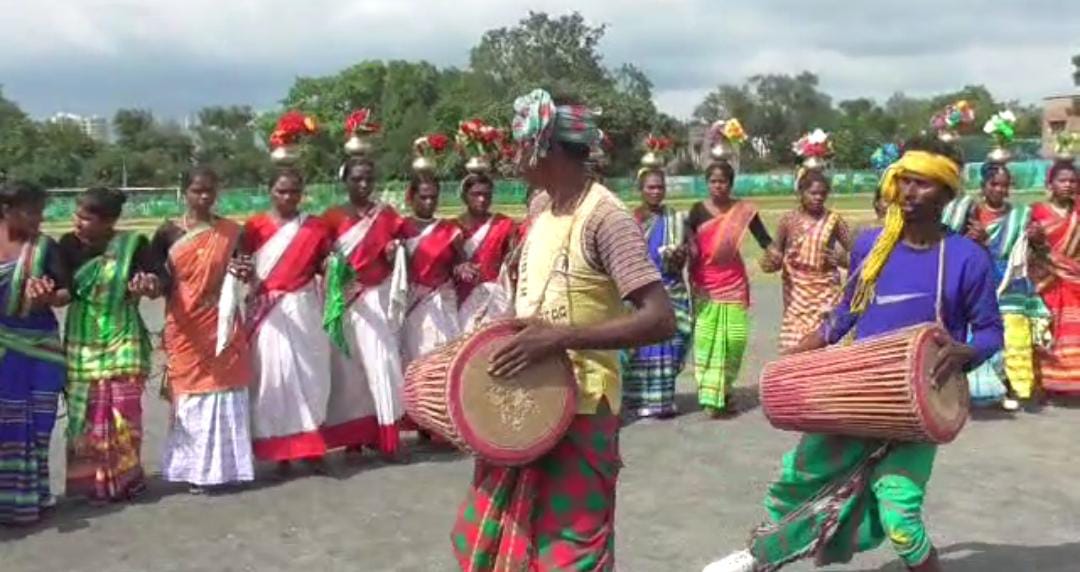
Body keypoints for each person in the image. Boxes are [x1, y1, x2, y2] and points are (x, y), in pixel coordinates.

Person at [703, 138, 1003, 572]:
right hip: (857, 389)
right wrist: (804, 349)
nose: (908, 192)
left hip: (922, 404)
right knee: (801, 476)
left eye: (921, 184)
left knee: (900, 515)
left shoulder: (966, 259)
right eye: (904, 182)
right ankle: (758, 557)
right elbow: (845, 313)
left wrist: (968, 351)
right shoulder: (873, 246)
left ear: (946, 193)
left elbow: (992, 331)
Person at [450, 89, 675, 571]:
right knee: (511, 541)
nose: (512, 157)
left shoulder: (607, 217)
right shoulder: (538, 209)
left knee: (571, 552)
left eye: (518, 145)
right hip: (527, 404)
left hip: (584, 409)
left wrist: (560, 337)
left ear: (544, 147)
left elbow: (660, 318)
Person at [152, 167, 255, 493]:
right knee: (192, 397)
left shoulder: (230, 232)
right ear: (184, 192)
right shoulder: (167, 232)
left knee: (226, 394)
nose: (204, 197)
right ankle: (193, 471)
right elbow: (158, 279)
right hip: (185, 327)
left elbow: (247, 276)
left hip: (222, 325)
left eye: (210, 191)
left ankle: (229, 469)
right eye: (197, 191)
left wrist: (242, 271)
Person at [60, 187, 160, 503]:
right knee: (87, 410)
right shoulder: (67, 245)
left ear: (109, 222)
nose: (76, 222)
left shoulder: (133, 246)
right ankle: (89, 483)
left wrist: (148, 286)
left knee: (124, 409)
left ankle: (127, 478)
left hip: (123, 334)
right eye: (76, 215)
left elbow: (158, 282)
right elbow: (63, 289)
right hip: (83, 336)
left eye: (85, 218)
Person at [243, 168, 333, 474]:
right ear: (270, 191)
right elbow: (242, 265)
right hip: (268, 311)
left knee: (311, 377)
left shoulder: (315, 227)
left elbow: (325, 264)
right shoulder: (254, 227)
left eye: (294, 192)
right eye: (281, 191)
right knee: (273, 378)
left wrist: (333, 267)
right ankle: (279, 450)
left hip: (304, 309)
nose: (288, 197)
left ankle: (311, 448)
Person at [322, 156, 412, 458]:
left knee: (382, 364)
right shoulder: (332, 217)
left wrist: (394, 251)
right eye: (356, 179)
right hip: (345, 302)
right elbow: (322, 258)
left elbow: (404, 250)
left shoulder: (386, 215)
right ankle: (354, 436)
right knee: (349, 371)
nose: (363, 185)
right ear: (345, 181)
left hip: (377, 299)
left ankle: (388, 436)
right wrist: (336, 271)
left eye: (368, 179)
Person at [0, 181, 69, 524]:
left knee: (39, 426)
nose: (38, 219)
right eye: (31, 212)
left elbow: (65, 292)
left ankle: (32, 496)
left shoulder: (44, 247)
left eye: (41, 211)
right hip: (4, 349)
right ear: (7, 210)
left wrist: (48, 296)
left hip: (41, 348)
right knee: (6, 425)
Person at [687, 160, 772, 417]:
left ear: (730, 184)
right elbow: (688, 246)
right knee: (706, 340)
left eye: (722, 181)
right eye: (713, 181)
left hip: (733, 281)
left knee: (734, 339)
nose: (718, 186)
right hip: (705, 282)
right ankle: (711, 397)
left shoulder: (743, 210)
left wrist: (777, 255)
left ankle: (723, 389)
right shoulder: (697, 211)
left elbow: (765, 240)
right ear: (707, 183)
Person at [960, 161, 1048, 410]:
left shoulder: (1020, 217)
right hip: (975, 287)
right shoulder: (968, 214)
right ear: (982, 186)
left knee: (1014, 333)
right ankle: (979, 388)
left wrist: (1038, 241)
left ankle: (1016, 388)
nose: (1000, 190)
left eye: (1005, 185)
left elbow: (1031, 256)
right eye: (994, 184)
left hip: (1011, 288)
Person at [622, 168, 692, 419]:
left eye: (660, 187)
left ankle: (663, 400)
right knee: (642, 345)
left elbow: (691, 251)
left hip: (672, 288)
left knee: (674, 341)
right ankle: (638, 399)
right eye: (650, 187)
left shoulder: (677, 218)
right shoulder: (631, 221)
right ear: (640, 190)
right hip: (643, 291)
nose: (656, 192)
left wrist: (680, 255)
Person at [761, 169, 853, 351]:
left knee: (828, 345)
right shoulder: (788, 221)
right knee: (795, 348)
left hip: (827, 292)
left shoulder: (834, 220)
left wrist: (841, 260)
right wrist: (771, 261)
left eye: (822, 194)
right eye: (813, 193)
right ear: (801, 193)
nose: (818, 198)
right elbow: (772, 260)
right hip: (797, 295)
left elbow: (856, 255)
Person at [400, 172, 465, 367]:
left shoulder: (450, 230)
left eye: (433, 197)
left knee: (444, 358)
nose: (429, 202)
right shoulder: (400, 228)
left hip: (442, 304)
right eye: (423, 197)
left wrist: (462, 268)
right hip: (412, 304)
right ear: (411, 198)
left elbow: (459, 264)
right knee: (417, 358)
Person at [1028, 159, 1080, 397]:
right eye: (1062, 180)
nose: (1068, 185)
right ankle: (1047, 382)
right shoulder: (1037, 211)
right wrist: (1037, 244)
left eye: (1072, 181)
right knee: (1047, 331)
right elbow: (1027, 248)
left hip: (1074, 279)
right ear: (1051, 183)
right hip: (1046, 280)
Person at [455, 172, 517, 334]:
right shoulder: (452, 228)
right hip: (460, 298)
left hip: (494, 298)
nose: (482, 199)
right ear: (464, 196)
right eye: (476, 195)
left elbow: (513, 261)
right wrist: (459, 268)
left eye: (486, 195)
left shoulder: (504, 225)